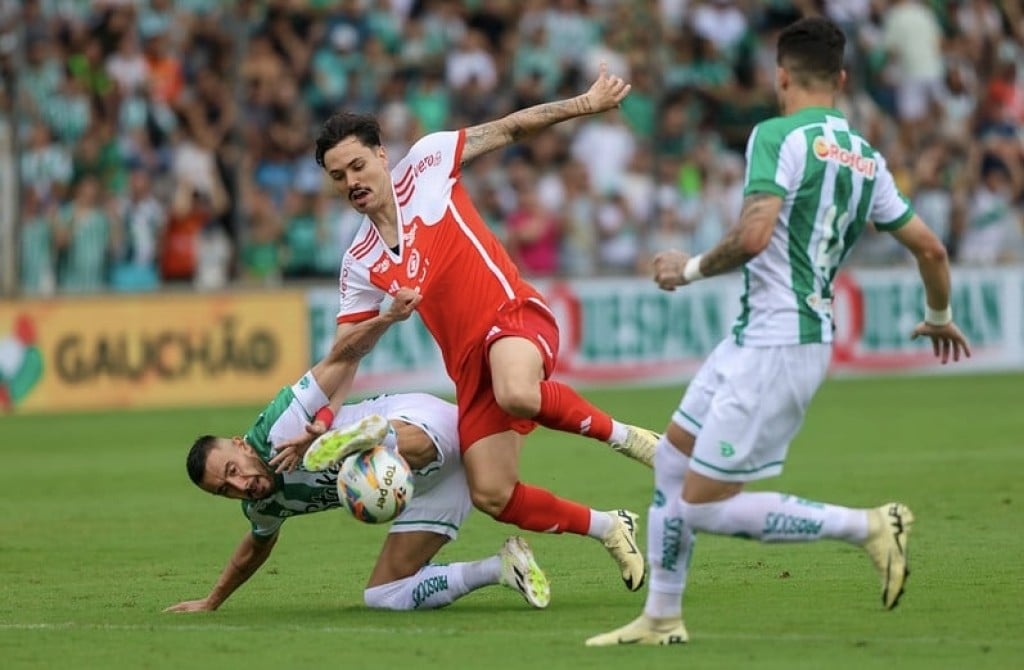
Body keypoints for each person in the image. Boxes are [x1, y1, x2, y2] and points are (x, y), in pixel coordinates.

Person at [586, 16, 972, 646]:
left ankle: (870, 525)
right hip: (758, 336)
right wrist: (937, 317)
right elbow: (931, 249)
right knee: (674, 465)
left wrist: (685, 269)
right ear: (843, 80)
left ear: (781, 75)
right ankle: (661, 617)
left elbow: (756, 233)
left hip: (779, 344)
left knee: (702, 504)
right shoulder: (867, 159)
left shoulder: (775, 135)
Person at [277, 64, 658, 592]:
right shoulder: (359, 262)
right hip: (467, 366)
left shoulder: (427, 165)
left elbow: (506, 129)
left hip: (512, 314)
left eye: (358, 166)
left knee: (518, 391)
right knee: (493, 494)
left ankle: (634, 441)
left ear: (382, 155)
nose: (352, 182)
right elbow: (346, 353)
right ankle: (610, 526)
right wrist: (324, 412)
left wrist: (583, 104)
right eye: (338, 177)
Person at [164, 352, 550, 614]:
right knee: (383, 595)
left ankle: (376, 436)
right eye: (224, 490)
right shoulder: (263, 505)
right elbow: (255, 546)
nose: (240, 486)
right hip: (435, 481)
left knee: (391, 450)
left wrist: (382, 316)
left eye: (233, 471)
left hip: (422, 424)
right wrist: (211, 601)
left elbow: (341, 355)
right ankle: (502, 568)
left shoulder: (276, 428)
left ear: (240, 445)